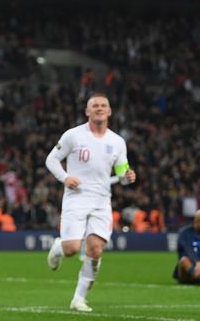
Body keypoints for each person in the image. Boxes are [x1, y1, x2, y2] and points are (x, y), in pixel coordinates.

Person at [44, 93, 137, 312]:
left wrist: (127, 177)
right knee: (71, 249)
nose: (99, 108)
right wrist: (65, 177)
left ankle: (79, 299)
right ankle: (58, 247)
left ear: (110, 111)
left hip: (101, 201)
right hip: (76, 198)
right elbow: (52, 159)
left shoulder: (117, 141)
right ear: (87, 111)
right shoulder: (73, 135)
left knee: (95, 250)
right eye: (94, 105)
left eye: (103, 105)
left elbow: (122, 173)